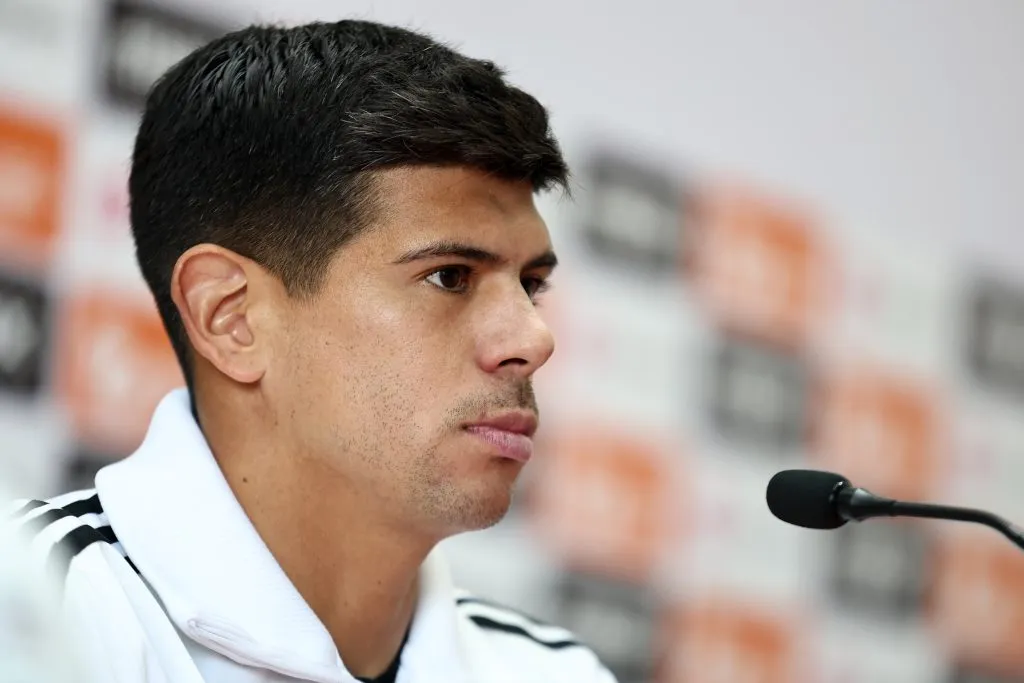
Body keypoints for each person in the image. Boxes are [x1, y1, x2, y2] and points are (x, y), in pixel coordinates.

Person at [2, 18, 617, 683]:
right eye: (450, 276)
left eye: (531, 284)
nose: (533, 338)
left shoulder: (554, 672)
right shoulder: (33, 614)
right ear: (230, 317)